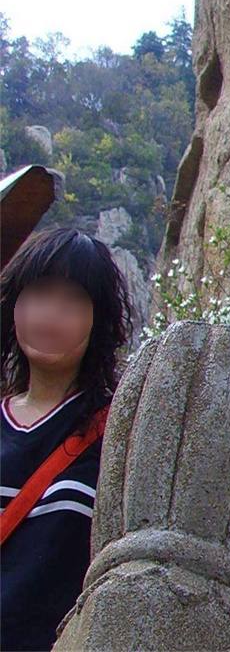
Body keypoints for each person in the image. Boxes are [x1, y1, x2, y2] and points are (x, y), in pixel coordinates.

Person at [0, 228, 133, 651]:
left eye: (73, 299)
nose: (51, 313)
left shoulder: (118, 434)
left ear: (101, 320)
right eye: (39, 292)